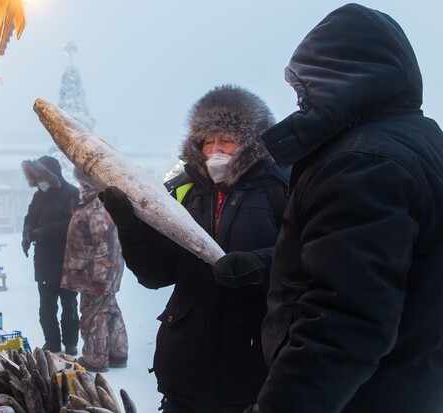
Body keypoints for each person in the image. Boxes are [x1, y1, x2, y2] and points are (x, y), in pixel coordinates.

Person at [212, 4, 443, 412]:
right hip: (411, 382)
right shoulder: (420, 141)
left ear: (342, 80)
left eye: (305, 89)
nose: (301, 101)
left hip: (360, 398)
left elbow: (343, 324)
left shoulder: (361, 163)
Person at [100, 85, 289, 412]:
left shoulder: (280, 188)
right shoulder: (181, 192)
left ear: (252, 143)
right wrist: (132, 229)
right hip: (184, 371)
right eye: (208, 140)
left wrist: (261, 265)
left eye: (228, 139)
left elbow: (307, 259)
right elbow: (156, 273)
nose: (216, 149)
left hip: (252, 368)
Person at [60, 168, 128, 372]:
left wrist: (100, 279)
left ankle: (95, 359)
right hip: (99, 272)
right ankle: (118, 353)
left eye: (82, 181)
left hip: (93, 274)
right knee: (110, 310)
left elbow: (105, 246)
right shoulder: (94, 204)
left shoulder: (98, 207)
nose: (80, 186)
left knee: (93, 315)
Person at [22, 155, 80, 355]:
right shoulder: (38, 196)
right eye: (36, 179)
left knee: (69, 307)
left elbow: (74, 224)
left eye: (41, 178)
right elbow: (30, 217)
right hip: (45, 261)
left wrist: (44, 231)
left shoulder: (72, 193)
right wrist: (27, 232)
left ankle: (71, 343)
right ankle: (52, 343)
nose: (39, 183)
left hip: (67, 260)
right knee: (46, 309)